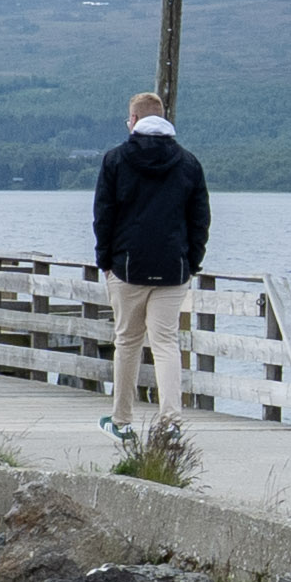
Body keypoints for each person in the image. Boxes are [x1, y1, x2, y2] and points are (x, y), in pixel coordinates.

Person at [89, 90, 210, 440]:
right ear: (162, 118)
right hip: (173, 269)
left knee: (127, 342)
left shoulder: (115, 159)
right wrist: (191, 262)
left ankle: (122, 421)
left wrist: (105, 261)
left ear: (133, 120)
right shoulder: (188, 162)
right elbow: (200, 219)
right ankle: (170, 422)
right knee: (166, 343)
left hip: (127, 266)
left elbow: (104, 215)